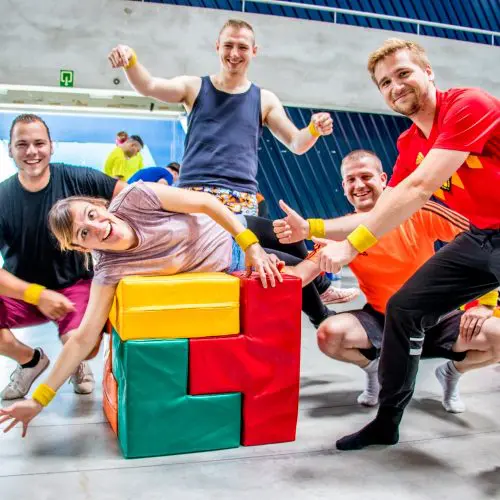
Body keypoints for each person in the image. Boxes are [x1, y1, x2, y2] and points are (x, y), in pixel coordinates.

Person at [281, 38, 499, 450]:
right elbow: (391, 204)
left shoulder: (468, 105)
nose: (395, 86)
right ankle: (387, 422)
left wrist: (349, 247)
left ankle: (453, 374)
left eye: (403, 74)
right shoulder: (408, 144)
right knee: (405, 307)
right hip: (484, 235)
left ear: (428, 72)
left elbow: (418, 188)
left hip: (487, 237)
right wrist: (312, 235)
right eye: (384, 83)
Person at [0, 180, 351, 435]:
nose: (96, 227)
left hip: (237, 231)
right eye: (83, 234)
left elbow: (206, 204)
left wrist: (252, 246)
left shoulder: (136, 198)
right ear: (80, 248)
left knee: (297, 243)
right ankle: (325, 277)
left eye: (92, 215)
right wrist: (39, 400)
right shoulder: (109, 271)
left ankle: (326, 288)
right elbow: (82, 338)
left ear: (101, 206)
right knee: (295, 279)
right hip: (229, 262)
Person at [107, 18, 359, 306]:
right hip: (196, 199)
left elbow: (296, 143)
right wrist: (131, 60)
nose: (234, 53)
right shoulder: (194, 87)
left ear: (254, 51)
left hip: (241, 201)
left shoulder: (264, 99)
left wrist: (313, 129)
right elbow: (149, 85)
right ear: (217, 47)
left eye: (242, 47)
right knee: (276, 252)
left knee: (285, 241)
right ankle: (321, 293)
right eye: (228, 45)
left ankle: (320, 295)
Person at [274, 149, 499, 413]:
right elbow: (300, 276)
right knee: (329, 334)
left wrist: (484, 304)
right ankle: (375, 370)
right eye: (351, 180)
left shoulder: (419, 210)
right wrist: (263, 260)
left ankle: (452, 373)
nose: (359, 185)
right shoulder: (339, 232)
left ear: (383, 179)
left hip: (440, 317)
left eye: (366, 176)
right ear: (344, 188)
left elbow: (485, 240)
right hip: (383, 321)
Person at [0, 114, 125, 401]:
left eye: (39, 143)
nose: (32, 151)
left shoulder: (77, 178)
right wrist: (36, 294)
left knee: (81, 343)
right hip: (23, 290)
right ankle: (30, 361)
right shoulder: (3, 198)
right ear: (10, 149)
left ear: (51, 146)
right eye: (22, 144)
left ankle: (76, 360)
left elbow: (129, 197)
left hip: (75, 284)